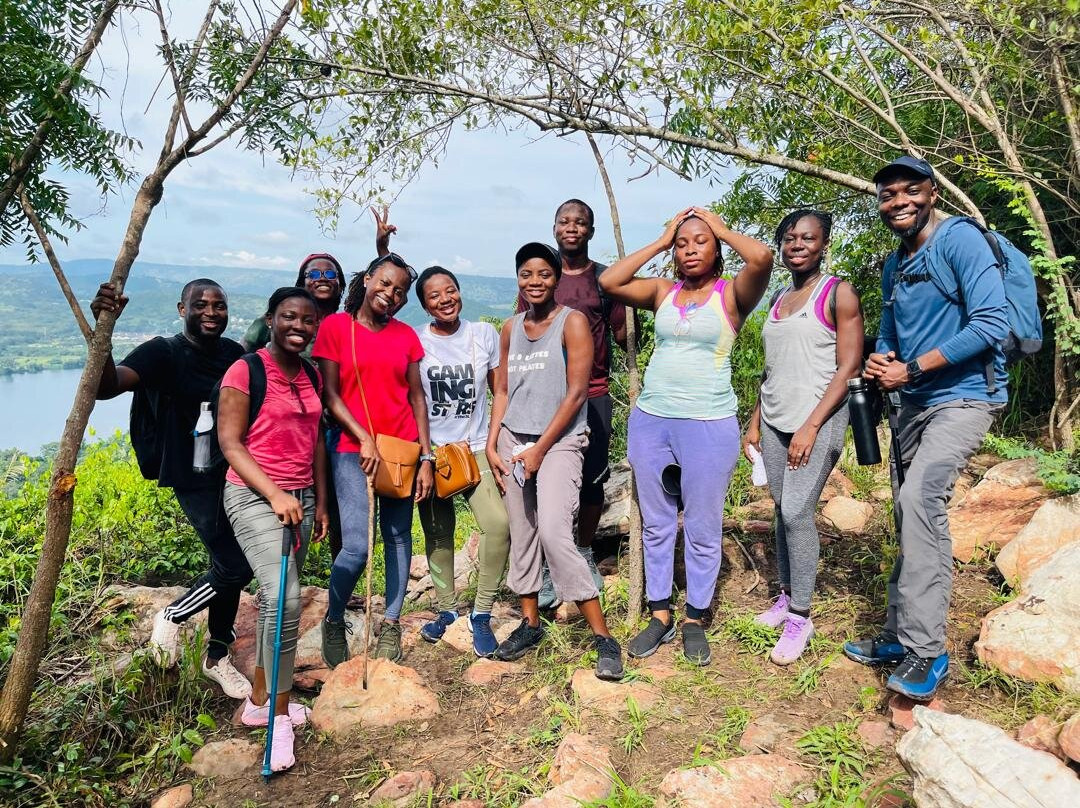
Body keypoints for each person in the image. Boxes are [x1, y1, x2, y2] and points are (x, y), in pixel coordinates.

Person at [843, 157, 1008, 701]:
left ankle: (927, 650)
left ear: (931, 194)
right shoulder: (896, 264)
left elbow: (991, 324)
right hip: (910, 404)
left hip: (964, 398)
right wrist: (883, 356)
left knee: (919, 501)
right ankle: (898, 634)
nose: (899, 202)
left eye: (910, 191)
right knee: (909, 514)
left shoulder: (960, 243)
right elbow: (891, 325)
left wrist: (911, 368)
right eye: (888, 195)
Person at [600, 208, 773, 665]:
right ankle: (659, 614)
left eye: (701, 242)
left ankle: (695, 616)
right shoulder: (663, 292)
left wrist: (717, 226)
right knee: (657, 522)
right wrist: (661, 239)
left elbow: (761, 257)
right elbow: (611, 282)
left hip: (708, 423)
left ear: (715, 247)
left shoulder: (732, 295)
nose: (690, 249)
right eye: (684, 244)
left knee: (701, 523)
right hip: (652, 419)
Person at [91, 279, 253, 699]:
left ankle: (218, 656)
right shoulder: (163, 352)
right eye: (202, 305)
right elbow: (107, 386)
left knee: (231, 563)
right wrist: (103, 331)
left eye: (220, 305)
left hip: (234, 471)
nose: (212, 312)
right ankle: (174, 614)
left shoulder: (235, 354)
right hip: (190, 474)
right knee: (235, 566)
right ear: (183, 309)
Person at [487, 242, 624, 680]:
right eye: (527, 274)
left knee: (553, 531)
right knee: (522, 532)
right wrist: (494, 444)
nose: (535, 281)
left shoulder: (572, 322)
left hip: (561, 441)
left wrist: (542, 448)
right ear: (518, 280)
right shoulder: (510, 327)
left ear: (556, 279)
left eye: (544, 274)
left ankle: (603, 636)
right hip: (514, 439)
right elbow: (503, 391)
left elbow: (577, 392)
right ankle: (530, 624)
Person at [743, 210, 864, 665]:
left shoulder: (838, 293)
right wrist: (755, 419)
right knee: (780, 506)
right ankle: (785, 593)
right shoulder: (779, 297)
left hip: (820, 418)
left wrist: (811, 426)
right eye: (790, 238)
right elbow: (772, 368)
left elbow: (848, 365)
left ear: (824, 244)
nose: (797, 244)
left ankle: (801, 616)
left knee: (796, 510)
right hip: (775, 418)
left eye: (807, 238)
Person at [217, 287, 329, 772]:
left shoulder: (310, 374)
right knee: (284, 599)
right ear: (271, 319)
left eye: (307, 320)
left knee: (271, 600)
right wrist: (276, 494)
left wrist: (319, 500)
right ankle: (279, 718)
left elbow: (315, 443)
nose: (298, 326)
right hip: (253, 493)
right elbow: (230, 442)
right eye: (289, 317)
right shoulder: (246, 370)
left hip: (299, 499)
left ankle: (260, 701)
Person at [313, 253, 434, 667]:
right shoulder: (335, 328)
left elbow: (417, 396)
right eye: (384, 283)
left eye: (399, 290)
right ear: (367, 280)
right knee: (357, 548)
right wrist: (363, 436)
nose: (391, 294)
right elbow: (330, 393)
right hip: (351, 450)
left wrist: (426, 457)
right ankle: (333, 618)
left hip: (400, 451)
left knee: (399, 536)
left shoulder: (406, 337)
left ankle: (392, 623)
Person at [517, 200, 627, 606]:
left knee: (592, 479)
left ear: (591, 231)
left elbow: (620, 333)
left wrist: (634, 322)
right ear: (554, 227)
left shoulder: (603, 279)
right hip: (545, 395)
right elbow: (522, 333)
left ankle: (582, 551)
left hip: (593, 392)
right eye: (564, 221)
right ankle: (548, 565)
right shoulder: (542, 278)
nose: (572, 228)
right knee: (541, 480)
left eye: (580, 222)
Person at [413, 266, 511, 657]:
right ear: (424, 304)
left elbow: (499, 390)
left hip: (475, 447)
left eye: (450, 290)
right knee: (438, 533)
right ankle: (447, 610)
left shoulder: (482, 334)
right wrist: (421, 454)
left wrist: (494, 442)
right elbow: (414, 400)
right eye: (435, 295)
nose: (445, 299)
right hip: (433, 453)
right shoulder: (416, 341)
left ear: (460, 293)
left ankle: (481, 612)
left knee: (498, 525)